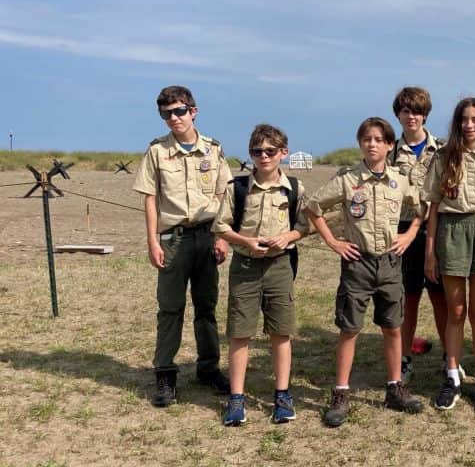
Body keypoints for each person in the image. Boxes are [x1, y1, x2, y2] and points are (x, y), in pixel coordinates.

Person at [305, 117, 425, 427]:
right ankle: (341, 392)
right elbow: (313, 206)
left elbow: (423, 207)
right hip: (357, 264)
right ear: (360, 144)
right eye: (366, 139)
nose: (371, 144)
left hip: (389, 263)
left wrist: (410, 234)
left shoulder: (399, 180)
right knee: (349, 328)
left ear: (389, 145)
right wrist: (333, 241)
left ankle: (395, 387)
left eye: (378, 139)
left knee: (394, 327)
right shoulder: (347, 180)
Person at [134, 85, 231, 407]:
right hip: (173, 239)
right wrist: (152, 242)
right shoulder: (157, 152)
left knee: (207, 308)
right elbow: (149, 198)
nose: (173, 118)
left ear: (193, 111)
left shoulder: (213, 150)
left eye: (179, 111)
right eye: (166, 113)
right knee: (170, 308)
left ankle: (208, 369)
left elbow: (223, 195)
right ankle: (165, 374)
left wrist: (221, 237)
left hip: (206, 235)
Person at [213, 124, 309, 425]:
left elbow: (305, 225)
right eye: (257, 151)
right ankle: (237, 398)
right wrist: (245, 242)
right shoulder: (237, 188)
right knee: (239, 333)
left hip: (280, 265)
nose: (264, 157)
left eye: (270, 151)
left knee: (281, 332)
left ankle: (282, 395)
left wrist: (287, 237)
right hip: (245, 267)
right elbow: (221, 225)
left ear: (283, 153)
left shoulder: (295, 188)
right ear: (250, 154)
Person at [424, 97, 475, 412]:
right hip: (452, 231)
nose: (470, 125)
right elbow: (433, 207)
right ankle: (452, 377)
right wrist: (430, 252)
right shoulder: (444, 157)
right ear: (457, 122)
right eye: (464, 119)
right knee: (456, 311)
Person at [388, 87, 447, 382]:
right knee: (407, 298)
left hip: (436, 231)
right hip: (402, 232)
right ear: (398, 113)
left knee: (441, 297)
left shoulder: (445, 149)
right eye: (406, 111)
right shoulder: (389, 152)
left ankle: (451, 359)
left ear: (426, 114)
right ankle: (404, 358)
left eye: (418, 111)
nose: (412, 117)